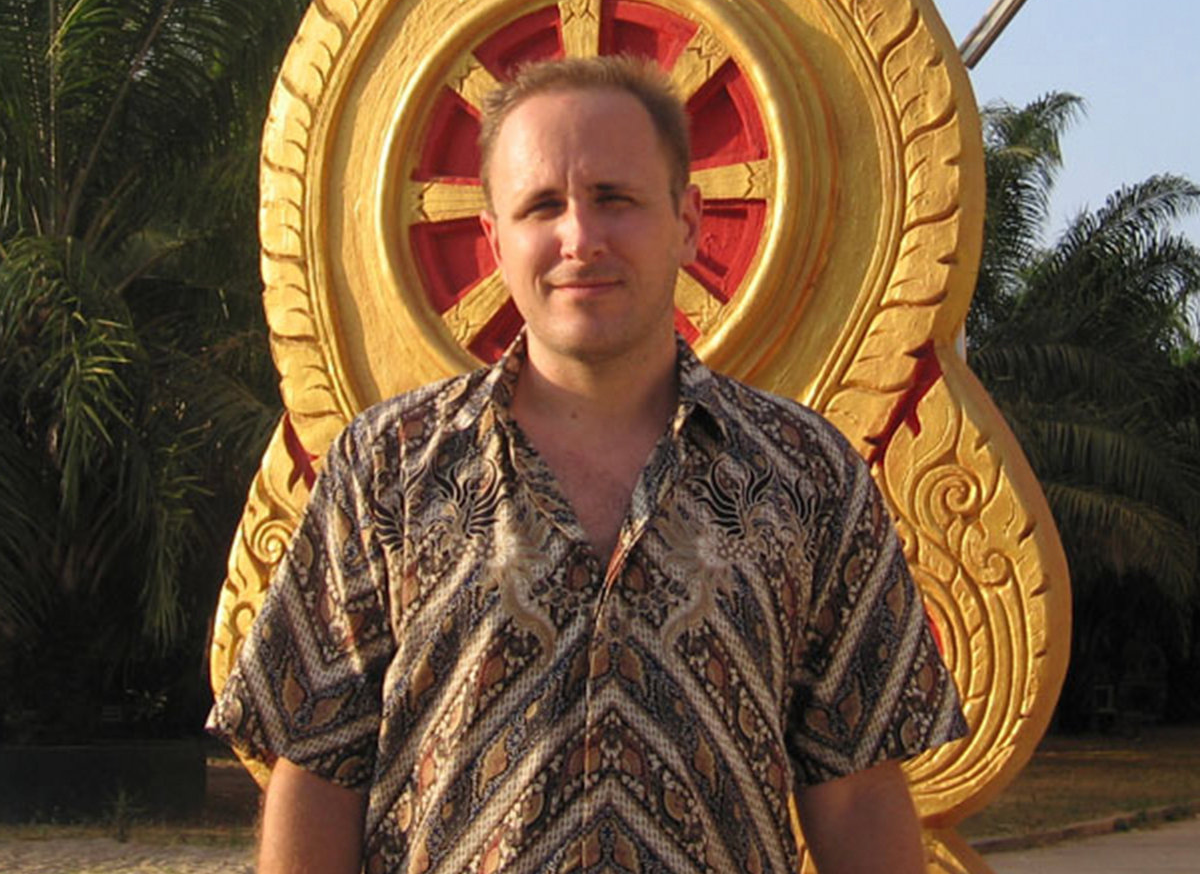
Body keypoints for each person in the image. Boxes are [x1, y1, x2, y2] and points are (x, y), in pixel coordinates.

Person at [209, 54, 967, 874]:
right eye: (542, 206)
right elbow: (318, 768)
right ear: (495, 241)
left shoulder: (807, 475)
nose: (580, 238)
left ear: (687, 220)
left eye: (614, 198)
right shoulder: (386, 469)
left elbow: (856, 789)